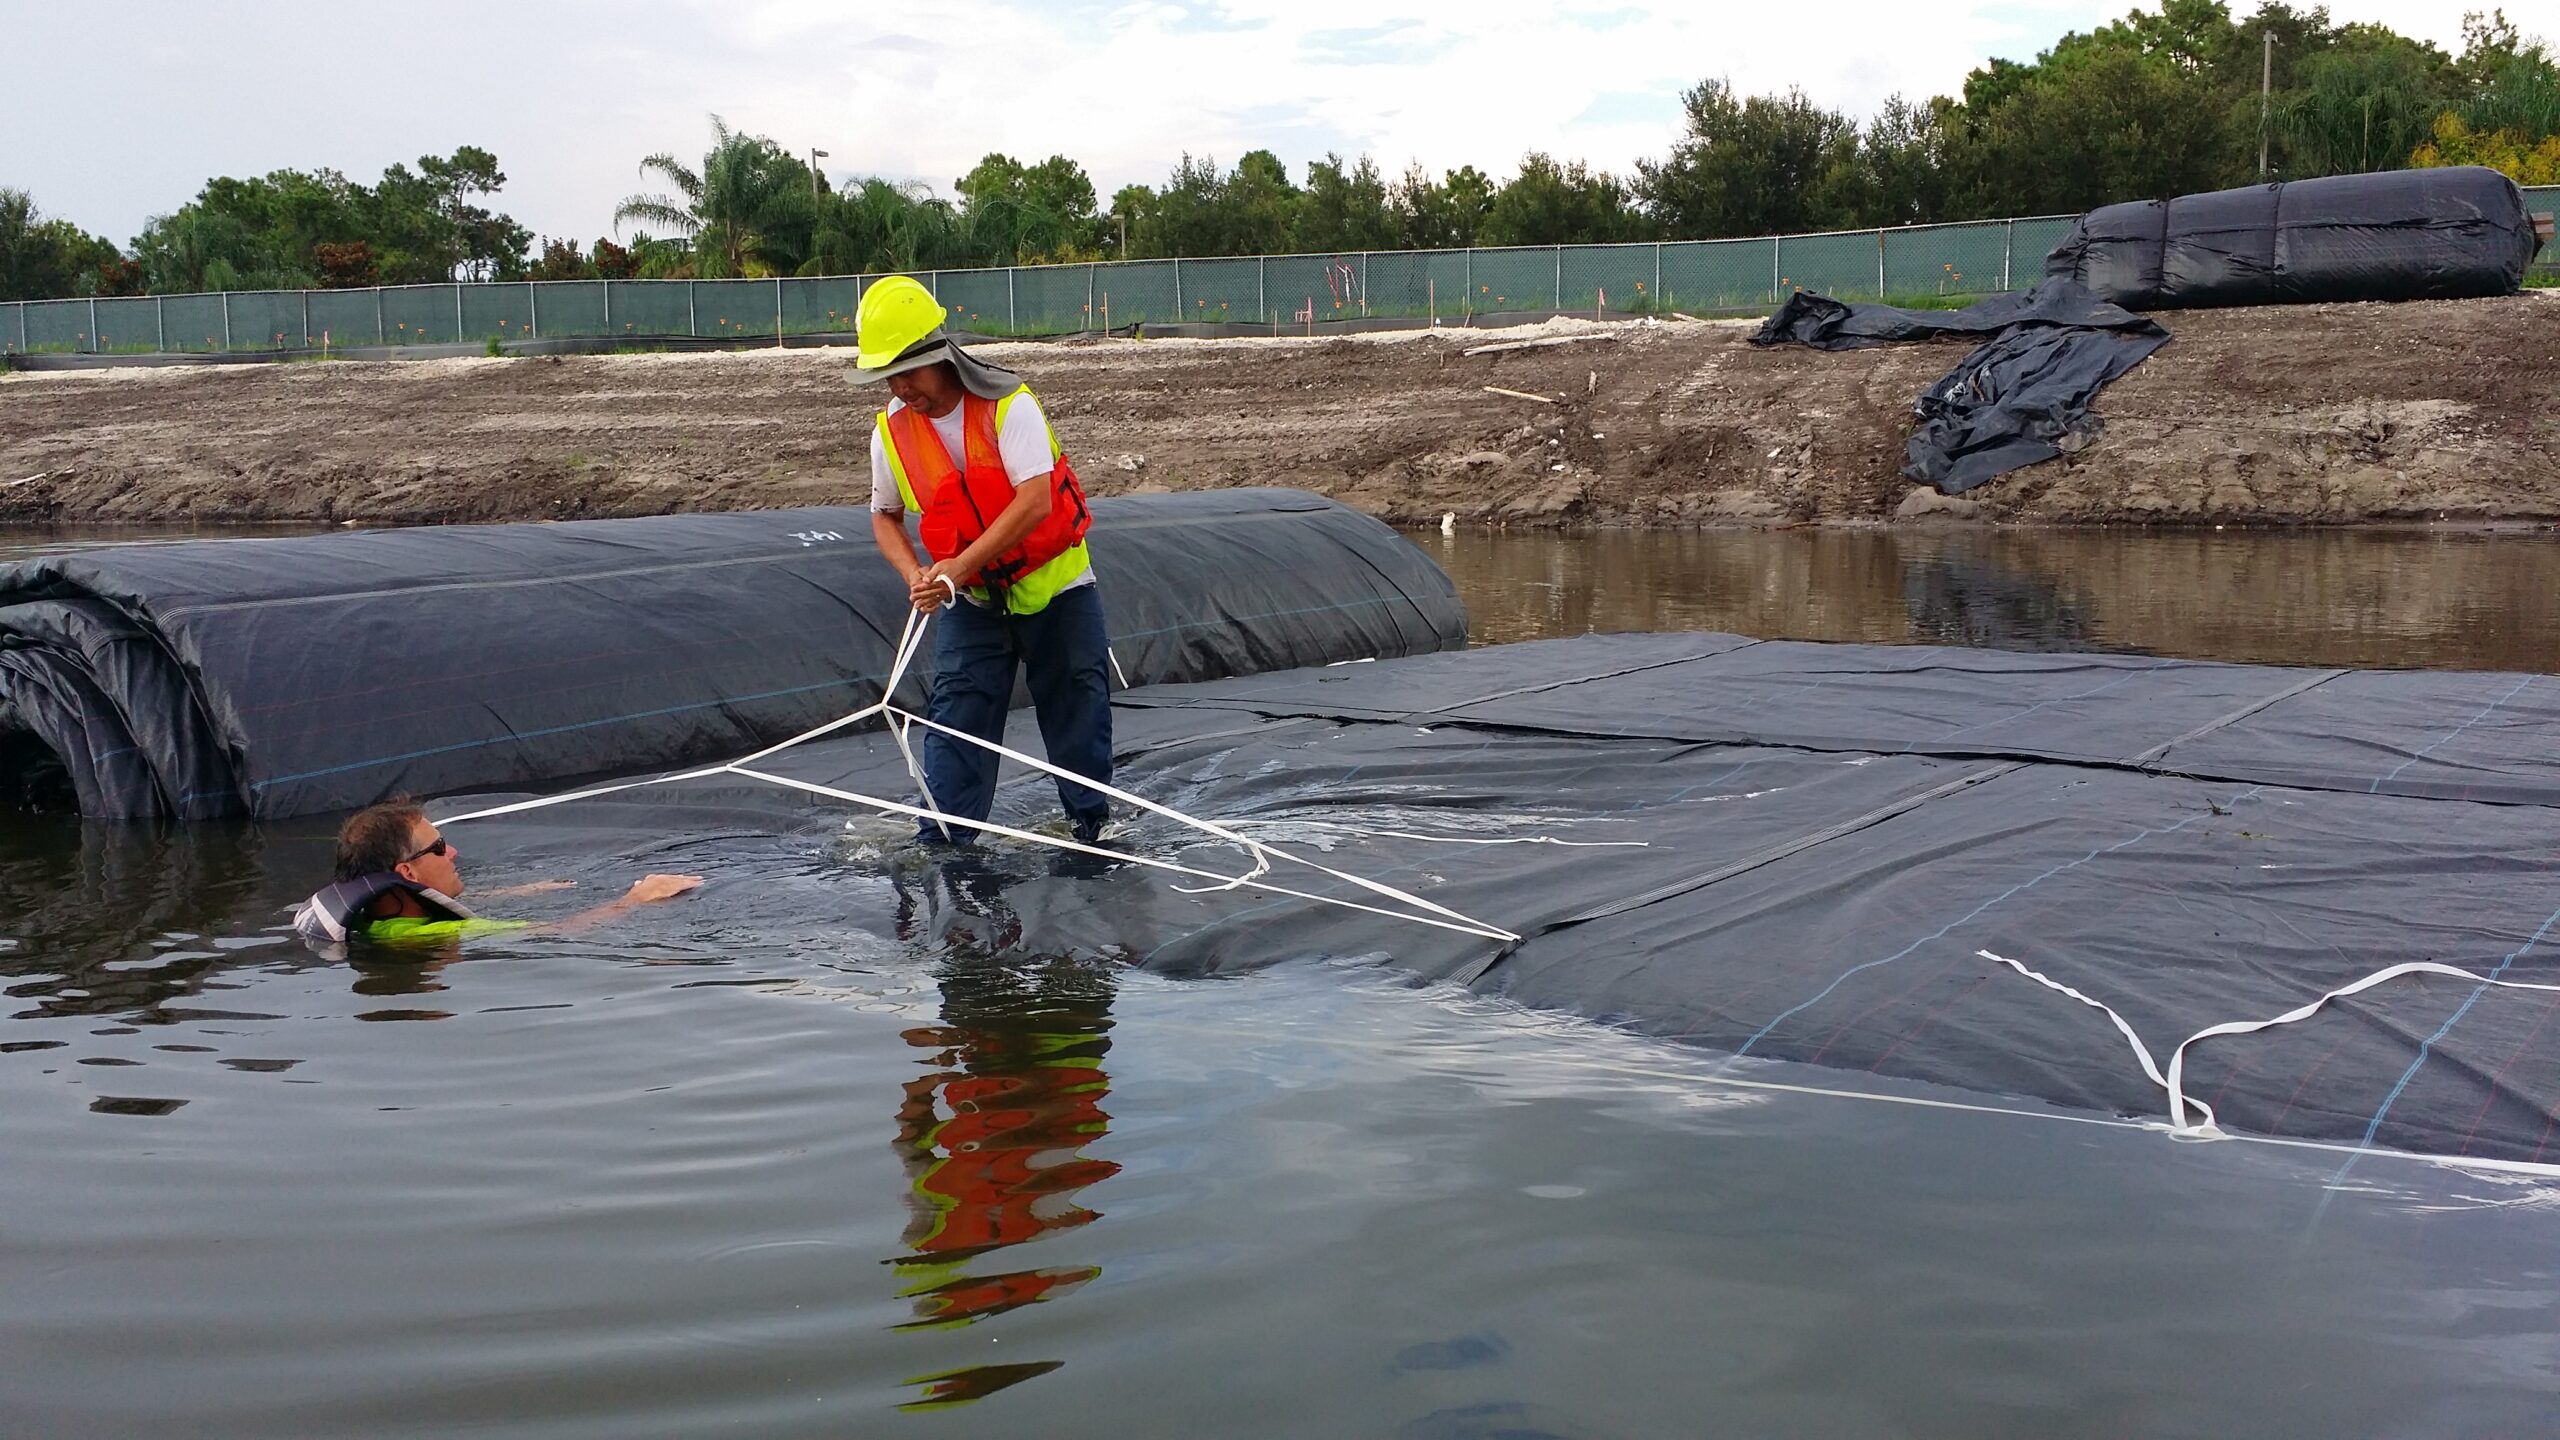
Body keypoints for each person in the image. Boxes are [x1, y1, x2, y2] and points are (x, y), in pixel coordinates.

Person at [852, 274, 1114, 848]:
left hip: (1058, 593)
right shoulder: (889, 436)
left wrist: (959, 567)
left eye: (908, 372)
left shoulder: (1009, 407)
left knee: (1076, 717)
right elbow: (884, 515)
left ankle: (1092, 832)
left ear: (940, 355)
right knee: (956, 721)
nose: (900, 389)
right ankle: (944, 844)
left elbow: (1035, 500)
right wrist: (916, 574)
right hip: (970, 600)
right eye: (887, 376)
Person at [293, 799, 700, 948]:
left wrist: (523, 890)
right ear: (406, 871)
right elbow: (553, 931)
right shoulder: (429, 935)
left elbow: (442, 904)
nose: (452, 851)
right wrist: (635, 900)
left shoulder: (383, 915)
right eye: (437, 847)